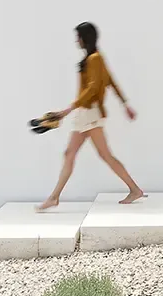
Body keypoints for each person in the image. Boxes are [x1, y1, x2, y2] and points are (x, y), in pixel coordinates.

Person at [36, 22, 145, 211]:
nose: (76, 40)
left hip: (89, 113)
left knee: (104, 155)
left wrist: (68, 109)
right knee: (70, 154)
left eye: (78, 36)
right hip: (85, 113)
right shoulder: (94, 58)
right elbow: (111, 81)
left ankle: (135, 190)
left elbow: (94, 87)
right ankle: (54, 197)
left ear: (85, 38)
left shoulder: (95, 59)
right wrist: (124, 104)